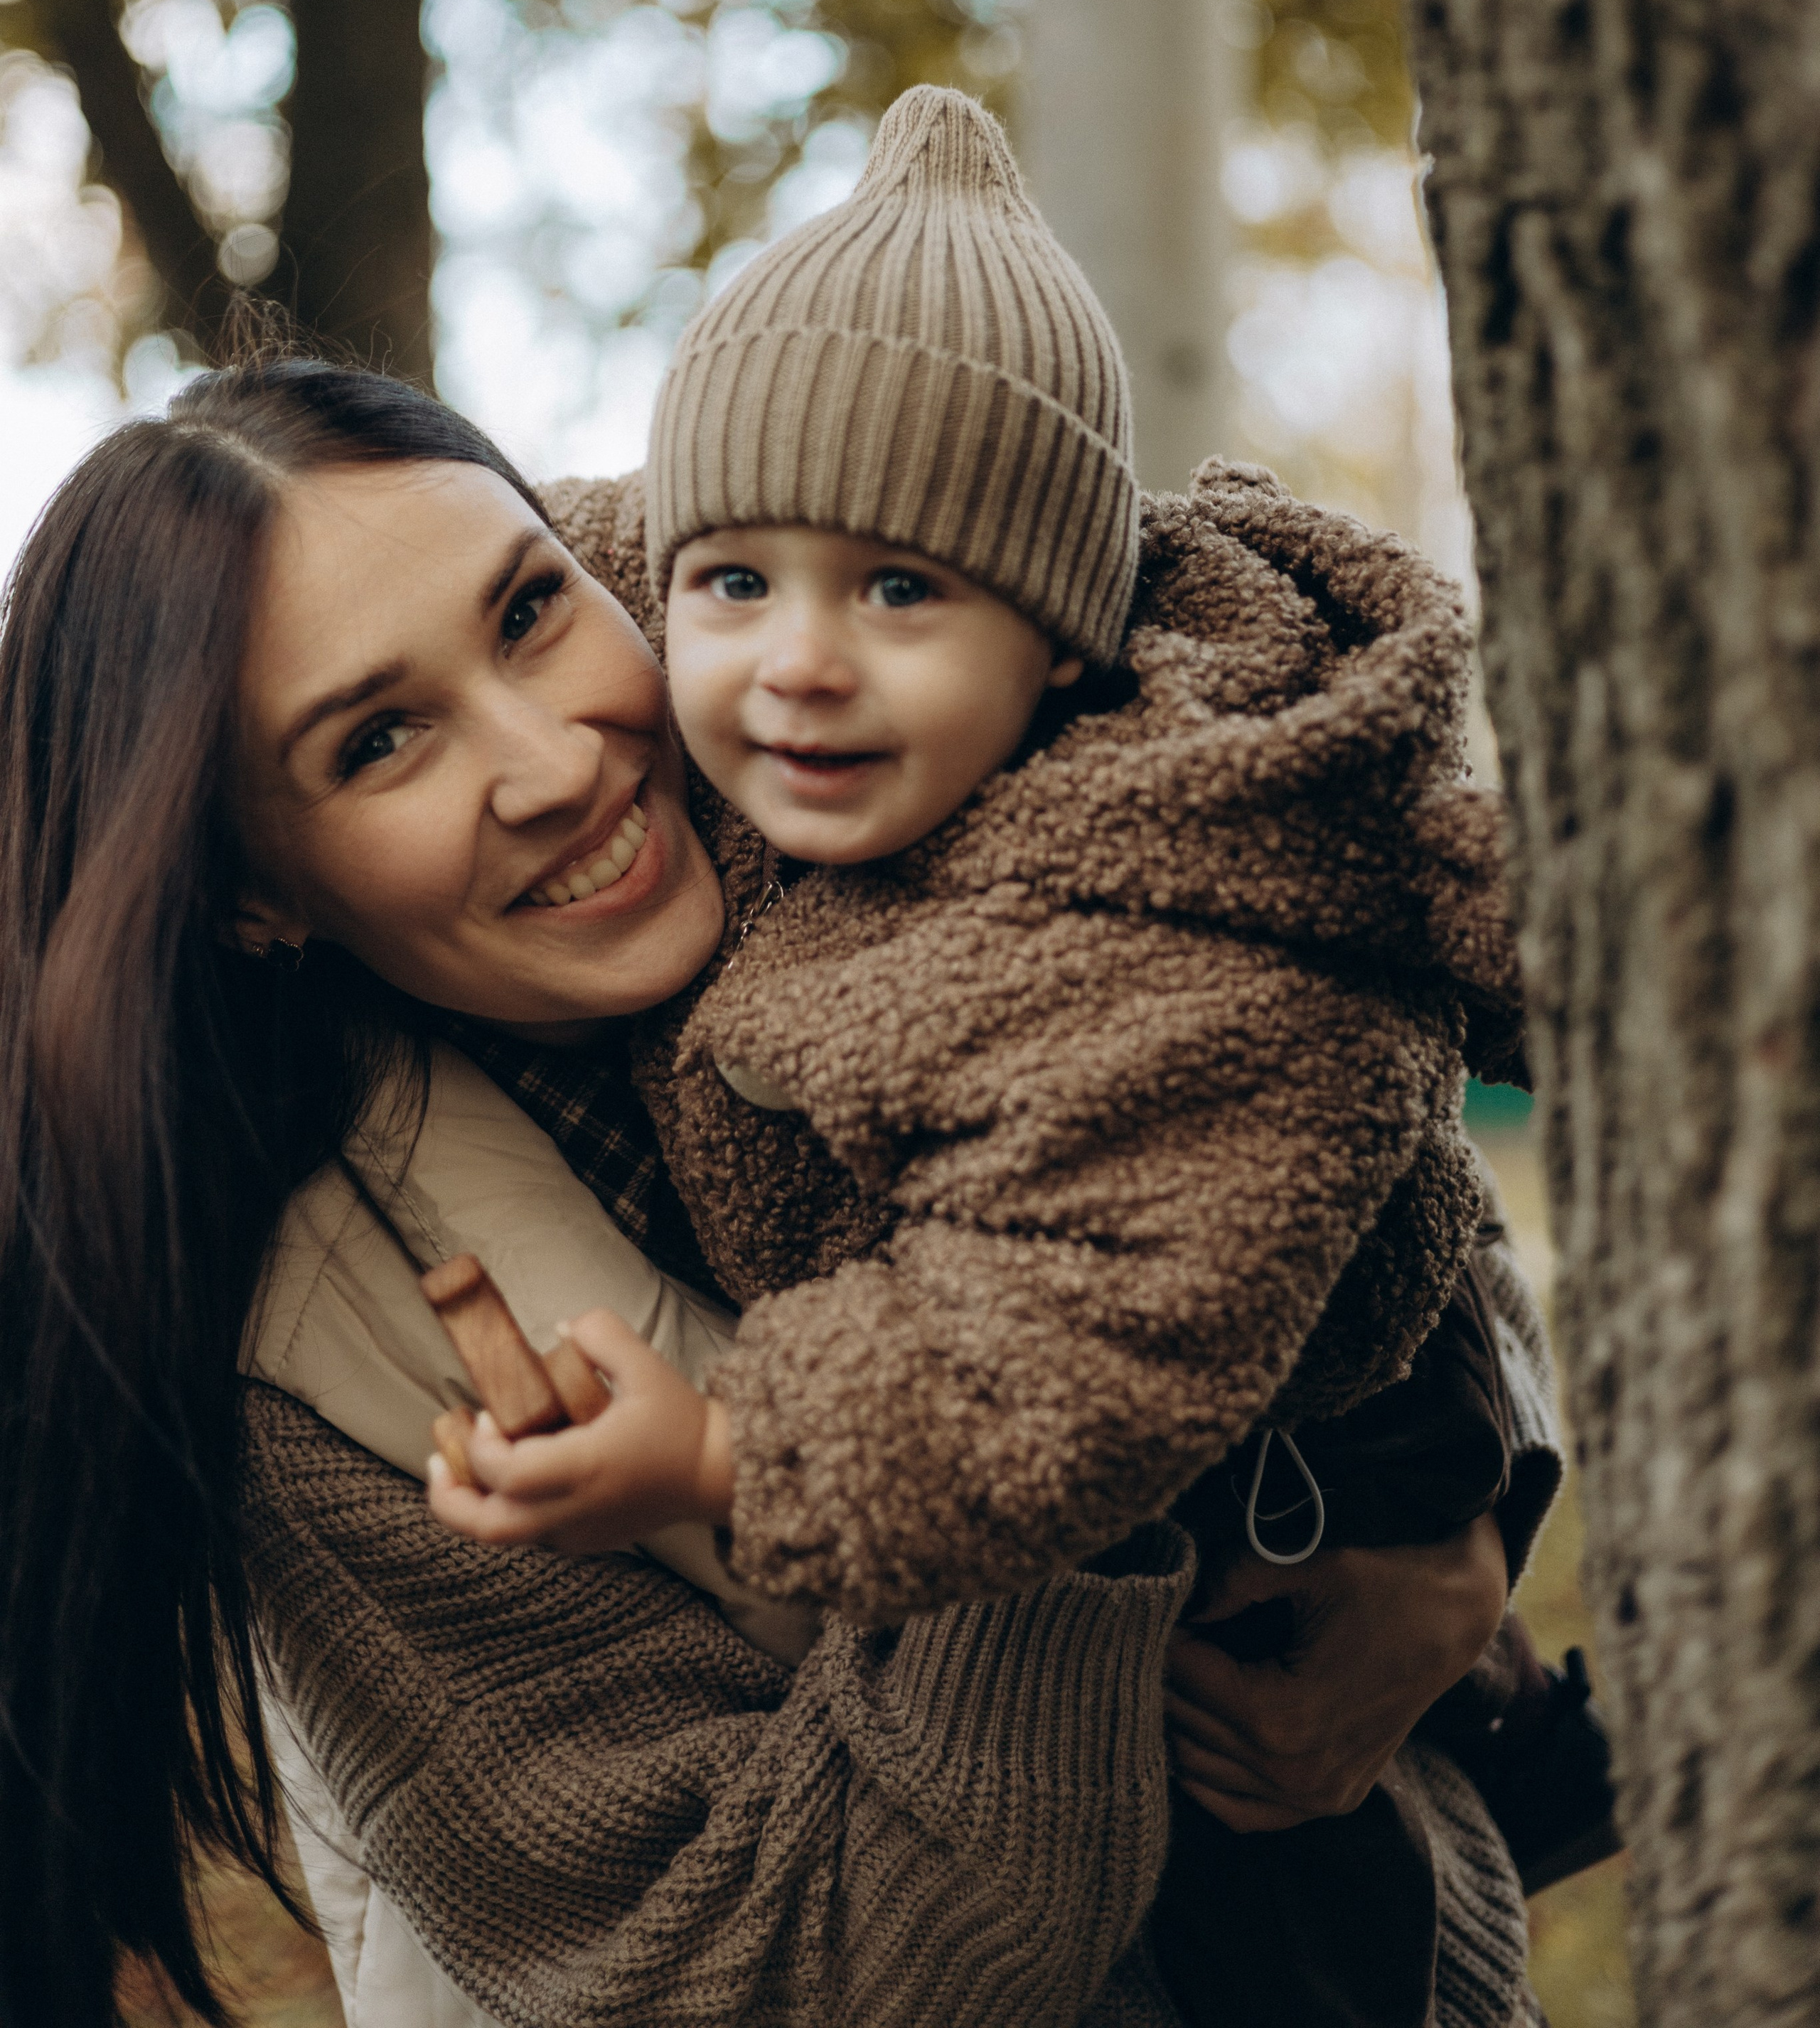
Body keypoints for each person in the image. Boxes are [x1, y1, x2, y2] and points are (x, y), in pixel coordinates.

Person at [0, 351, 1541, 2028]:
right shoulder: (320, 1341)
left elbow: (1324, 1082)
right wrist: (1044, 1449)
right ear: (249, 898)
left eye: (527, 613)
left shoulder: (829, 719)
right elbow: (770, 1971)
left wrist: (1460, 1526)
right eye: (379, 742)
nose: (553, 763)